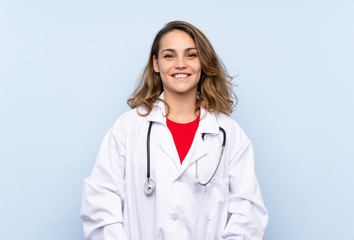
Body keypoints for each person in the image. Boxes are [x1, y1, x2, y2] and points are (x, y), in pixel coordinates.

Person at [80, 20, 268, 240]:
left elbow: (249, 213)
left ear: (203, 63)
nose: (180, 64)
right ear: (156, 64)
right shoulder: (127, 128)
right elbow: (100, 203)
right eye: (169, 55)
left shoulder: (228, 133)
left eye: (191, 55)